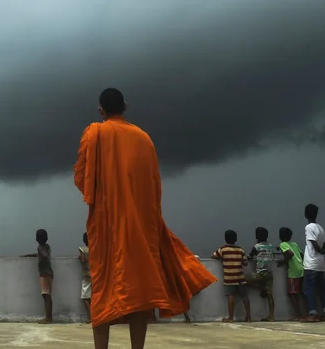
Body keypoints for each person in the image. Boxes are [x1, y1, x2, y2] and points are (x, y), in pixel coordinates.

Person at [74, 88, 216, 349]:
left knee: (103, 290)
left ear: (100, 110)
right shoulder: (144, 138)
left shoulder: (94, 133)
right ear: (125, 106)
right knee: (139, 291)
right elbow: (154, 186)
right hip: (140, 227)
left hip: (107, 227)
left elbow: (83, 180)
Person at [212, 230, 251, 323]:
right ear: (236, 239)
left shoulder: (223, 249)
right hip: (240, 277)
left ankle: (231, 318)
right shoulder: (240, 250)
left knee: (231, 296)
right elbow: (245, 263)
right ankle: (249, 317)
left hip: (229, 277)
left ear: (225, 239)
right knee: (245, 296)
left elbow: (213, 256)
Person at [302, 203, 325, 322]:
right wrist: (322, 252)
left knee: (309, 289)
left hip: (311, 263)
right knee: (323, 290)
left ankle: (312, 313)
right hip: (320, 264)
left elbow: (313, 243)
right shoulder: (320, 228)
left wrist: (319, 251)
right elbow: (324, 245)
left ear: (305, 214)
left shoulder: (309, 227)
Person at [21, 229, 54, 324]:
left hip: (44, 272)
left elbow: (44, 255)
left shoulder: (40, 248)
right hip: (49, 272)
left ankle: (48, 318)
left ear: (37, 239)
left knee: (45, 294)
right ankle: (49, 318)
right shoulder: (47, 246)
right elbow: (41, 254)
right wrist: (29, 255)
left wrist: (43, 256)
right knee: (47, 294)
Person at [276, 227, 306, 321]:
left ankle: (299, 315)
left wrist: (282, 261)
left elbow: (290, 254)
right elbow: (301, 255)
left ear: (280, 236)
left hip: (293, 272)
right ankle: (307, 313)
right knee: (301, 293)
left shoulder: (283, 244)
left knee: (292, 293)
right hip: (301, 269)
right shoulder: (294, 244)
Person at [246, 227, 275, 321]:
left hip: (260, 274)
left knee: (243, 279)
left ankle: (262, 288)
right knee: (270, 295)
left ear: (257, 236)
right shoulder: (271, 246)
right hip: (270, 274)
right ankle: (271, 316)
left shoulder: (257, 246)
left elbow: (250, 257)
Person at [78, 232, 92, 324]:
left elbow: (83, 260)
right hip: (96, 275)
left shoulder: (82, 249)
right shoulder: (94, 248)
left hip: (87, 276)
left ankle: (91, 316)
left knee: (85, 297)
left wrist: (80, 257)